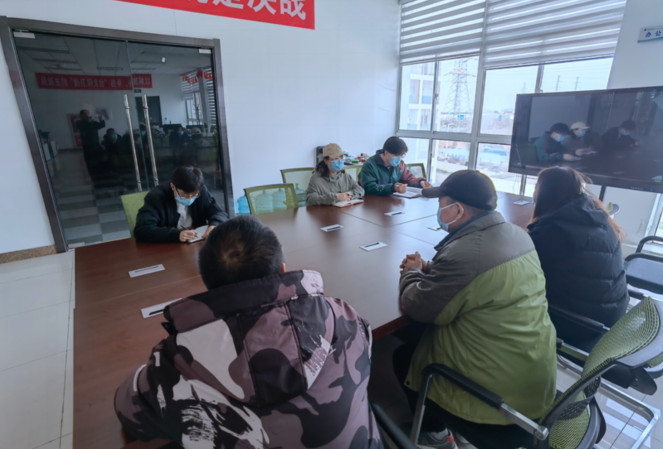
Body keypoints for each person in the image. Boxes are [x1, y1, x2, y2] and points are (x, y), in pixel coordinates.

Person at [115, 215, 381, 449]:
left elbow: (127, 410)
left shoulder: (174, 362)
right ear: (282, 270)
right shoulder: (343, 318)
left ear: (209, 286)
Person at [394, 170, 557, 448]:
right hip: (532, 378)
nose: (439, 211)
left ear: (457, 210)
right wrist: (429, 268)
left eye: (440, 204)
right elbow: (478, 280)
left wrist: (411, 272)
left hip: (497, 399)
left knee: (403, 355)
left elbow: (419, 307)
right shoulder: (517, 234)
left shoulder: (466, 252)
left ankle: (435, 434)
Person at [527, 166, 628, 350]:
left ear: (546, 192)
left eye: (536, 187)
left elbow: (521, 269)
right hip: (613, 314)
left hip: (582, 324)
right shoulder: (597, 215)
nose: (534, 192)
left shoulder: (552, 230)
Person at [134, 165, 228, 243]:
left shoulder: (201, 191)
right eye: (184, 195)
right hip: (167, 247)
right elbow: (141, 230)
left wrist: (215, 225)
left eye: (194, 195)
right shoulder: (156, 197)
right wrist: (175, 235)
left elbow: (219, 213)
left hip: (197, 242)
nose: (190, 199)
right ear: (172, 186)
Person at [360, 136, 432, 195]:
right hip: (373, 203)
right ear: (386, 152)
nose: (399, 158)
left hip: (392, 202)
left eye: (401, 156)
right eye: (397, 155)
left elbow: (409, 179)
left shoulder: (400, 165)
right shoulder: (370, 165)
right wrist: (392, 188)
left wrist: (420, 182)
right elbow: (369, 188)